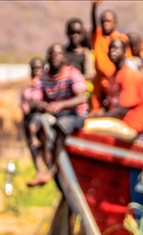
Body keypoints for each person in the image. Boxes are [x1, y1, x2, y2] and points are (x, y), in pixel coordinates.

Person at [26, 43, 88, 187]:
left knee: (61, 126)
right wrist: (43, 105)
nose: (55, 57)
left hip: (74, 113)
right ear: (47, 58)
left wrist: (61, 105)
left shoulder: (73, 74)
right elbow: (34, 101)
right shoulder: (41, 79)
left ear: (64, 58)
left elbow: (81, 98)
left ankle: (52, 169)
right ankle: (40, 169)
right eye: (51, 54)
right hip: (53, 113)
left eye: (58, 54)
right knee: (32, 125)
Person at [89, 0, 131, 114]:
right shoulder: (98, 36)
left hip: (114, 80)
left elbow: (127, 60)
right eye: (103, 22)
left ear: (115, 23)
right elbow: (93, 25)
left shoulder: (120, 39)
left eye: (108, 21)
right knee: (95, 110)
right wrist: (93, 7)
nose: (105, 24)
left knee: (114, 109)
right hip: (99, 80)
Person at [102, 38, 143, 133]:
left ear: (125, 52)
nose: (113, 51)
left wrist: (101, 118)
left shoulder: (128, 74)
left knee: (89, 127)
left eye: (117, 48)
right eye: (111, 48)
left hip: (131, 125)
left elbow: (122, 111)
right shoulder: (112, 75)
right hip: (117, 121)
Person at [20, 57, 45, 159]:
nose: (36, 71)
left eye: (39, 68)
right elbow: (25, 107)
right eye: (34, 68)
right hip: (30, 117)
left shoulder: (47, 84)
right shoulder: (28, 89)